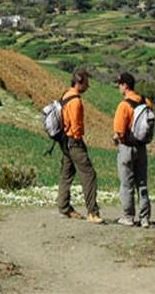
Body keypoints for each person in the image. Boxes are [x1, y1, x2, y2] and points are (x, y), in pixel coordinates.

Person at [57, 68, 103, 223]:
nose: (88, 86)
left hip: (64, 141)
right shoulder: (76, 101)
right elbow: (76, 128)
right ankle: (93, 212)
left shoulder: (66, 94)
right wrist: (79, 142)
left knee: (66, 173)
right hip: (74, 142)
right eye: (86, 83)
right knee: (89, 175)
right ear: (79, 82)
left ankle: (64, 207)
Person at [112, 72, 152, 228]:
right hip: (142, 148)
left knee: (127, 184)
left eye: (119, 84)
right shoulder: (146, 102)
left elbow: (119, 132)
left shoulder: (124, 105)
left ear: (125, 85)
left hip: (127, 148)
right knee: (142, 183)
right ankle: (145, 218)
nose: (118, 87)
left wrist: (115, 140)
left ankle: (128, 216)